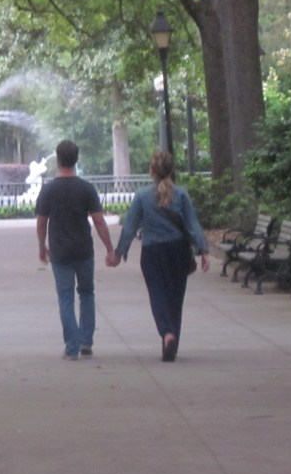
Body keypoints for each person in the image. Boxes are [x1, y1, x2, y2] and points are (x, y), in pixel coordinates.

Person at [114, 149, 211, 362]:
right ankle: (172, 341)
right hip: (178, 250)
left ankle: (167, 333)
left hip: (153, 252)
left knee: (158, 294)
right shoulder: (182, 194)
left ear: (152, 171)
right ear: (171, 170)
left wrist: (119, 252)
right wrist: (203, 250)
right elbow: (192, 224)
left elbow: (130, 227)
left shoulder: (142, 196)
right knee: (176, 297)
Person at [35, 140, 118, 360]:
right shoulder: (86, 188)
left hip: (60, 251)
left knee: (65, 297)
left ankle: (71, 347)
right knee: (87, 294)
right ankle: (86, 341)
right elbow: (99, 221)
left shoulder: (49, 189)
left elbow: (41, 222)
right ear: (76, 159)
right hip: (83, 250)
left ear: (58, 159)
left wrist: (42, 246)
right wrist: (109, 247)